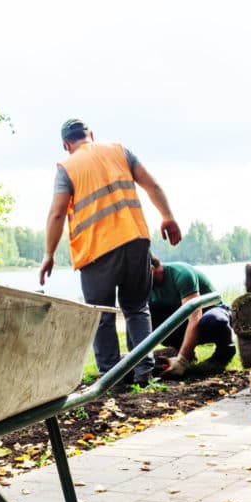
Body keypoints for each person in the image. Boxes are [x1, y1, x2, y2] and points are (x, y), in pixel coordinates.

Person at [39, 118, 181, 389]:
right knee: (137, 308)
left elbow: (57, 213)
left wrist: (49, 254)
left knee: (101, 315)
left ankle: (112, 380)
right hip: (136, 241)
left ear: (66, 145)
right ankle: (144, 374)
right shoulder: (119, 151)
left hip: (97, 250)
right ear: (91, 134)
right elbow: (153, 186)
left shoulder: (67, 168)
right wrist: (167, 216)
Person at [149, 256, 236, 376]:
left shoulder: (182, 274)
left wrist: (181, 361)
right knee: (149, 318)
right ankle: (187, 354)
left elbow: (195, 317)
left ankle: (225, 351)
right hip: (182, 319)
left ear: (151, 269)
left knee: (214, 320)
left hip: (210, 312)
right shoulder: (145, 286)